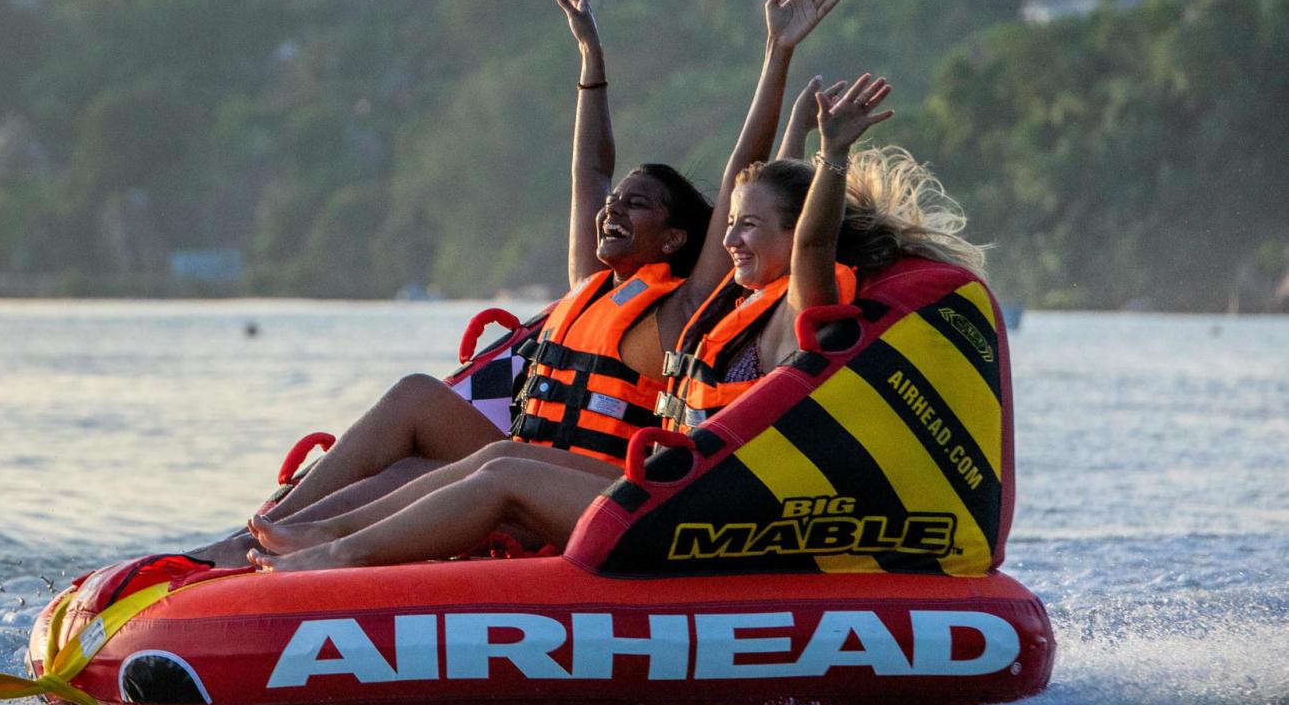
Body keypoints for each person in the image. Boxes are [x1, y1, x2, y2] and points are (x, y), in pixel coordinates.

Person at [207, 0, 841, 565]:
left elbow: (739, 177)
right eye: (614, 202)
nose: (610, 210)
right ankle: (261, 536)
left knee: (478, 458)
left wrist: (776, 57)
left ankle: (313, 554)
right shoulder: (592, 286)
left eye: (636, 205)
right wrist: (592, 64)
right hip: (523, 461)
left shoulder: (681, 306)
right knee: (413, 414)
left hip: (586, 489)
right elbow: (589, 170)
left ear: (676, 239)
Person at [248, 71, 983, 573]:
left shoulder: (804, 308)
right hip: (675, 483)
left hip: (707, 507)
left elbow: (810, 229)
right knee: (497, 461)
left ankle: (334, 558)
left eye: (750, 229)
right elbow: (750, 182)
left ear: (794, 239)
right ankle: (322, 534)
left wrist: (833, 154)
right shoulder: (734, 299)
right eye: (729, 227)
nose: (729, 240)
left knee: (503, 477)